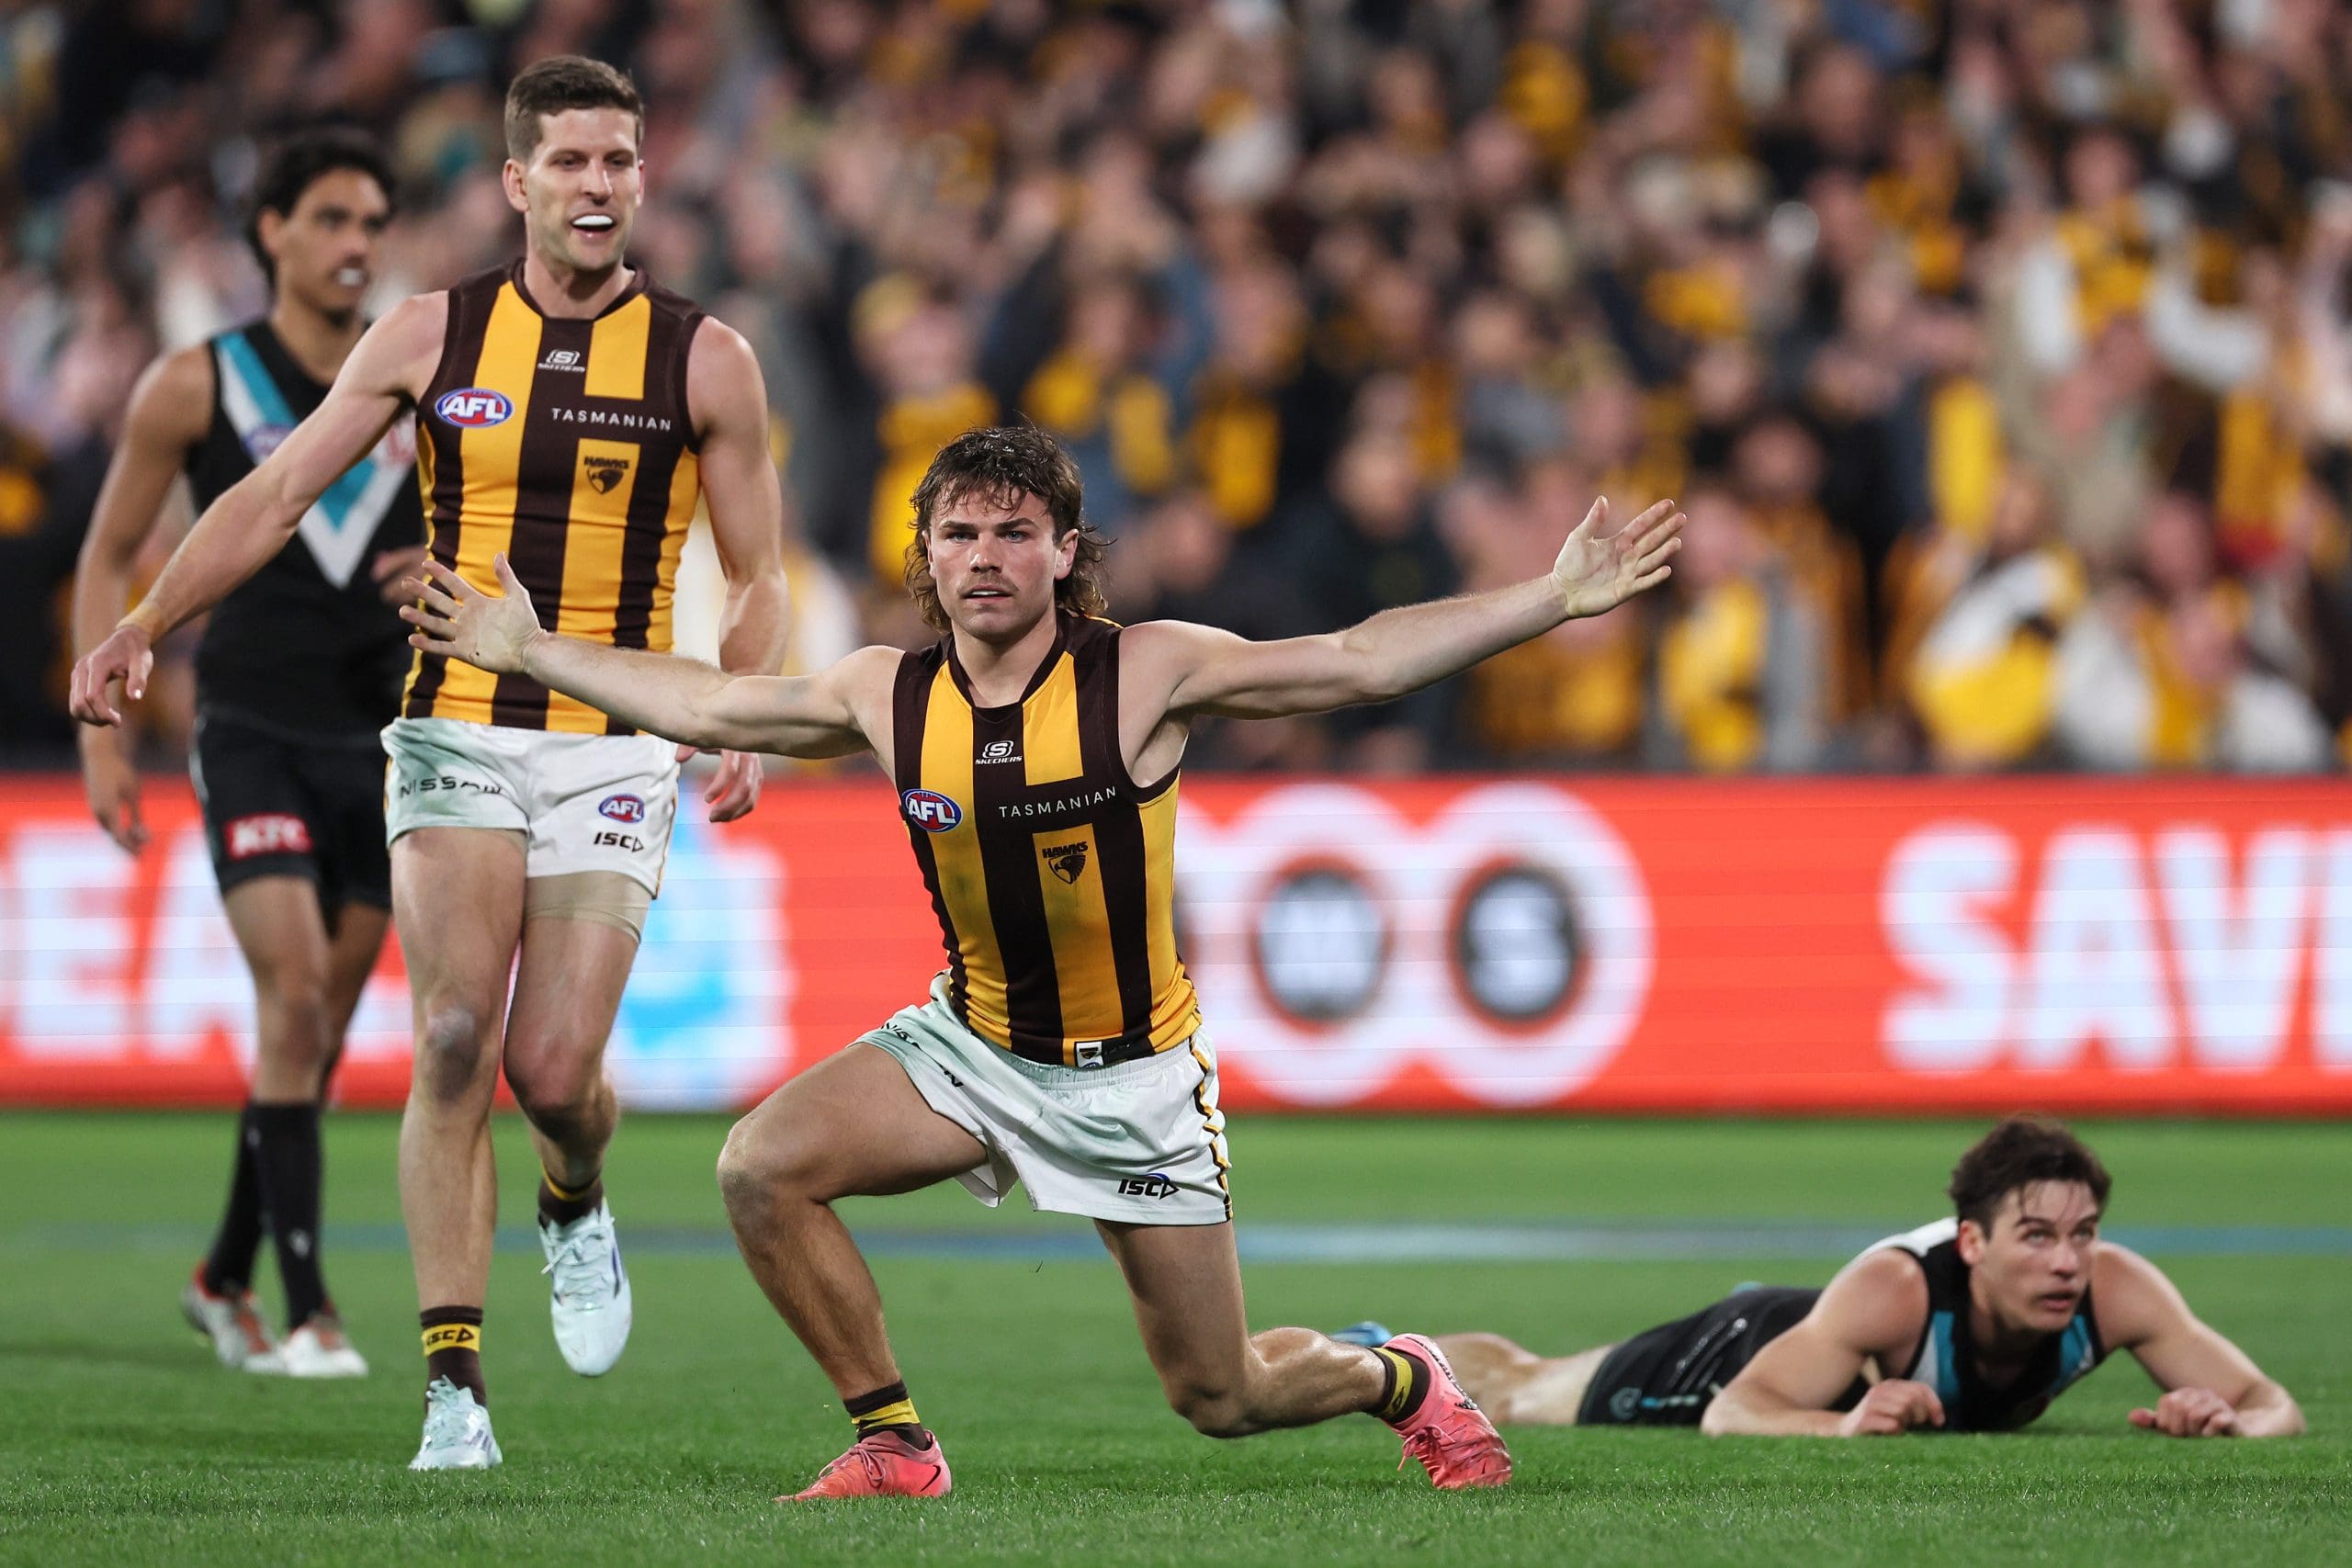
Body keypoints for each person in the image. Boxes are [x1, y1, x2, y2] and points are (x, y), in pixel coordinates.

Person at [396, 422, 1683, 1499]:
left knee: (1222, 1394)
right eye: (959, 533)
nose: (985, 557)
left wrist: (1549, 598)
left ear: (1067, 551)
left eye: (1015, 532)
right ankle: (894, 1441)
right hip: (973, 1046)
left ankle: (1399, 1373)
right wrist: (529, 651)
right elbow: (713, 703)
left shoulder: (1143, 671)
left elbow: (1356, 662)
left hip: (1132, 1079)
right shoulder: (885, 692)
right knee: (760, 1168)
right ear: (926, 554)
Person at [69, 57, 791, 1469]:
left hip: (610, 742)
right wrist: (147, 620)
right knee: (454, 1033)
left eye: (618, 160)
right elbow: (277, 489)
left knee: (555, 1067)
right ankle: (453, 1385)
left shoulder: (708, 357)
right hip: (455, 725)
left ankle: (573, 1191)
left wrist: (741, 706)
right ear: (516, 181)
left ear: (644, 177)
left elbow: (759, 571)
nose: (597, 184)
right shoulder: (429, 333)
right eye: (569, 160)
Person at [70, 128, 423, 1380]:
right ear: (270, 231)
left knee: (311, 1040)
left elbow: (502, 532)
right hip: (253, 726)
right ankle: (311, 1309)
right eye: (330, 219)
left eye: (371, 223)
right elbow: (106, 555)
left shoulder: (418, 382)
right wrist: (101, 742)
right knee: (296, 999)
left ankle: (221, 1275)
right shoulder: (198, 382)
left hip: (385, 738)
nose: (355, 245)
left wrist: (455, 569)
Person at [1363, 1116, 2302, 1439]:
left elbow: (2275, 1405)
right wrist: (1843, 1424)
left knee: (1533, 1377)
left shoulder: (2115, 1289)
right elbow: (1735, 1412)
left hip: (1820, 1346)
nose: (2066, 1260)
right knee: (1526, 1391)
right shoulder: (1900, 1289)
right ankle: (1379, 1357)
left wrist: (2227, 1420)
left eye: (2082, 1234)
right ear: (1972, 1244)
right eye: (2037, 1235)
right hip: (1753, 1349)